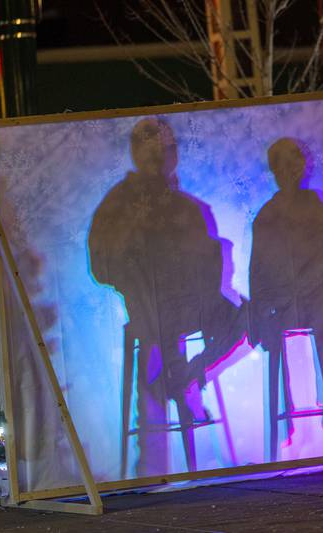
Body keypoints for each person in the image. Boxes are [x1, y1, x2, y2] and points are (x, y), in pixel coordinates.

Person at [88, 118, 244, 474]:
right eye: (152, 151)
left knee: (251, 319)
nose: (161, 158)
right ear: (136, 154)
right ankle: (154, 462)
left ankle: (187, 377)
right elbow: (101, 264)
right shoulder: (119, 205)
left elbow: (208, 263)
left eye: (167, 150)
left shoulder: (190, 207)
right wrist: (138, 276)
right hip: (150, 310)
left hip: (194, 306)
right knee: (157, 345)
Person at [249, 137, 323, 457]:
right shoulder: (267, 218)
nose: (288, 172)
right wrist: (261, 316)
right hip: (281, 309)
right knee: (276, 333)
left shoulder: (319, 213)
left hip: (319, 306)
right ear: (274, 172)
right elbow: (258, 276)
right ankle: (285, 434)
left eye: (293, 164)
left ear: (302, 167)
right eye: (281, 167)